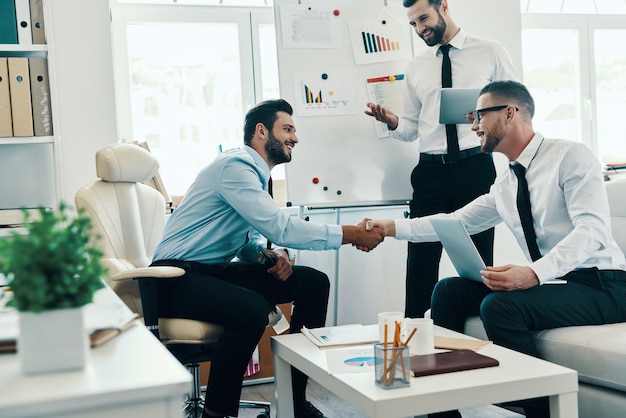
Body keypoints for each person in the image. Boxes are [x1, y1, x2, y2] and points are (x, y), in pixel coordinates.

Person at [364, 80, 626, 418]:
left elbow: (593, 230)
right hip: (558, 283)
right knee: (448, 291)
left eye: (478, 116)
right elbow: (456, 221)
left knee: (501, 306)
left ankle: (541, 407)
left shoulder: (569, 156)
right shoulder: (506, 182)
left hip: (605, 285)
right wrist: (389, 228)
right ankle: (442, 409)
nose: (472, 126)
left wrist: (532, 273)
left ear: (510, 112)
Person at [151, 99, 384, 418]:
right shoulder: (235, 166)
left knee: (312, 283)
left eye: (294, 131)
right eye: (287, 129)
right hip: (174, 279)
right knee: (250, 310)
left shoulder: (256, 177)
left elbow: (249, 240)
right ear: (261, 131)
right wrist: (352, 234)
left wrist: (268, 255)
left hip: (211, 273)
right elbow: (280, 226)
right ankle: (217, 414)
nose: (295, 138)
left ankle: (294, 402)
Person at [364, 0, 519, 318]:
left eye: (423, 19)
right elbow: (410, 129)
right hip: (430, 172)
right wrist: (393, 123)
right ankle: (416, 342)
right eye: (413, 24)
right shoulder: (416, 66)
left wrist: (484, 115)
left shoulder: (490, 51)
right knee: (419, 261)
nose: (420, 29)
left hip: (475, 167)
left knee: (477, 261)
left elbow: (515, 104)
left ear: (443, 7)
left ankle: (480, 334)